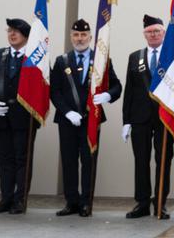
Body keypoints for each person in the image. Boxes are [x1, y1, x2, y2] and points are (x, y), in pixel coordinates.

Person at [49, 19, 121, 217]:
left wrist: (108, 95)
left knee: (89, 161)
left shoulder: (101, 60)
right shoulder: (61, 61)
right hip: (67, 120)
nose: (79, 38)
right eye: (75, 35)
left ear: (90, 37)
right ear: (71, 37)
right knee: (69, 160)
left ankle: (86, 202)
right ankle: (71, 201)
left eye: (83, 35)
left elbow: (116, 86)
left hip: (92, 119)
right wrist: (67, 112)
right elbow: (54, 91)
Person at [122, 14, 174, 220]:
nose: (153, 35)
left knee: (163, 160)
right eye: (149, 32)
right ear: (144, 34)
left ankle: (160, 202)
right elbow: (130, 92)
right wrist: (126, 121)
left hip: (164, 118)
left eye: (157, 31)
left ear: (164, 33)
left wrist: (173, 107)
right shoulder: (135, 57)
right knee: (141, 160)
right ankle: (142, 203)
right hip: (140, 118)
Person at [0, 18, 37, 214]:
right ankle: (5, 197)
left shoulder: (34, 57)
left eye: (17, 31)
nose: (12, 34)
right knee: (4, 159)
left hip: (24, 116)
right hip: (1, 116)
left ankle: (19, 199)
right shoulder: (0, 55)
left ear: (26, 36)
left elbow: (43, 86)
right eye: (10, 31)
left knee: (23, 159)